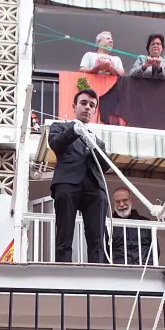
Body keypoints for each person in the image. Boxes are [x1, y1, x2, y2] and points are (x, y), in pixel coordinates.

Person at [49, 88, 109, 264]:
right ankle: (63, 270)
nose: (87, 107)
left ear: (94, 111)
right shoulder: (60, 127)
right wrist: (74, 131)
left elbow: (105, 166)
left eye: (92, 105)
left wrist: (94, 147)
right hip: (68, 183)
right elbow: (55, 144)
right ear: (74, 106)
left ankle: (97, 271)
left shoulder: (97, 140)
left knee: (97, 238)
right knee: (64, 234)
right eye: (83, 103)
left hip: (94, 187)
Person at [110, 187, 151, 266]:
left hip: (145, 268)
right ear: (113, 203)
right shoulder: (108, 225)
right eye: (117, 201)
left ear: (131, 200)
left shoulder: (146, 223)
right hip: (117, 269)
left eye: (124, 200)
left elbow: (155, 249)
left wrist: (149, 264)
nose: (121, 204)